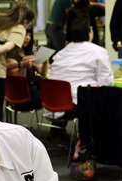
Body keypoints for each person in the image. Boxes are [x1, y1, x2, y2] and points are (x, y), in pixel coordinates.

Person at [47, 18, 114, 147]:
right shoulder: (98, 51)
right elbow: (106, 83)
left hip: (53, 103)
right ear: (90, 33)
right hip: (79, 106)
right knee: (108, 99)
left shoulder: (60, 54)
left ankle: (57, 133)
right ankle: (97, 142)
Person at [6, 27, 49, 112]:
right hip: (22, 96)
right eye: (25, 34)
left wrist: (45, 59)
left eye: (30, 35)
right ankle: (58, 122)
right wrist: (24, 64)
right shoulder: (11, 55)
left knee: (56, 94)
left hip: (33, 92)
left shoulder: (27, 53)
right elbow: (19, 84)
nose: (28, 38)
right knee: (55, 96)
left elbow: (43, 72)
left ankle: (57, 122)